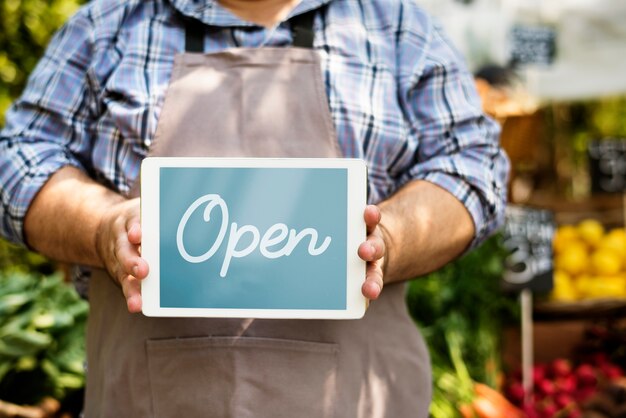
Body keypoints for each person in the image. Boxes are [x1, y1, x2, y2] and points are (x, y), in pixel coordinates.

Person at [0, 0, 509, 416]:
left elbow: (472, 165)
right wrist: (101, 225)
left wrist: (394, 236)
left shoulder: (399, 28)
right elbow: (18, 160)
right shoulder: (106, 25)